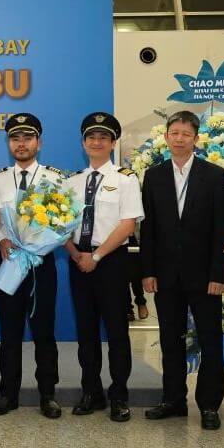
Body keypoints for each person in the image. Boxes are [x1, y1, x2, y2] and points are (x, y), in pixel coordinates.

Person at [140, 111, 224, 430]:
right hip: (165, 275)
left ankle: (209, 405)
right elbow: (148, 229)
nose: (179, 139)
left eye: (185, 134)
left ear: (196, 139)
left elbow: (222, 230)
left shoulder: (216, 176)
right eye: (173, 133)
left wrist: (220, 275)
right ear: (166, 137)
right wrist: (147, 271)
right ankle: (173, 400)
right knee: (170, 339)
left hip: (206, 276)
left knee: (209, 340)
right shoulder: (154, 176)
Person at [63, 112, 143, 421]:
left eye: (103, 137)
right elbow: (60, 226)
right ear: (83, 143)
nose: (97, 142)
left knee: (117, 332)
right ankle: (91, 392)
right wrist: (75, 254)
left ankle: (119, 395)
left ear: (112, 143)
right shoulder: (71, 182)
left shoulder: (125, 178)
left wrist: (96, 257)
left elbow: (127, 225)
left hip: (111, 262)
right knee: (86, 331)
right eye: (91, 137)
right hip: (78, 260)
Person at [0, 113, 63, 419]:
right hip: (9, 262)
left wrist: (41, 244)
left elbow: (64, 222)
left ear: (39, 142)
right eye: (15, 138)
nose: (21, 144)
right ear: (9, 143)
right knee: (10, 332)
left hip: (42, 265)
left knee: (44, 331)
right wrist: (0, 240)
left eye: (27, 138)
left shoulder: (56, 178)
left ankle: (48, 394)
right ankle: (9, 394)